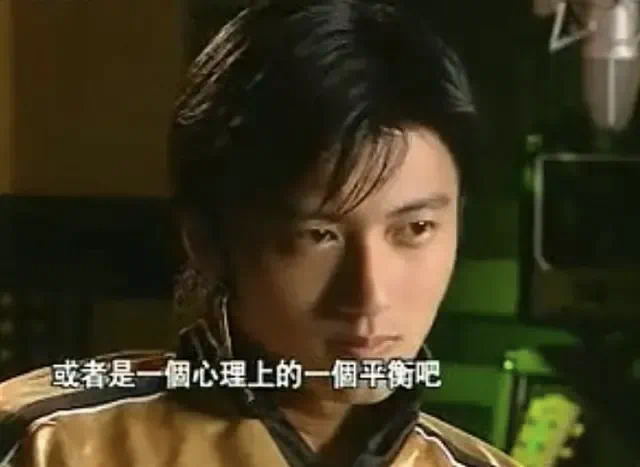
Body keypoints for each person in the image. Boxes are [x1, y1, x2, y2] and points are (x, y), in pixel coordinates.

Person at [0, 0, 522, 465]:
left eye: (416, 228)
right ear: (207, 240)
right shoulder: (52, 447)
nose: (370, 295)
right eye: (318, 235)